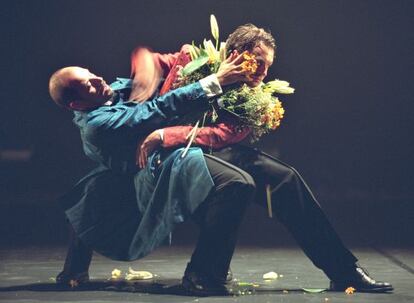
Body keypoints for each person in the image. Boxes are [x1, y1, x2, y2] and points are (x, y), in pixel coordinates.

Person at [137, 24, 393, 293]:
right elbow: (148, 57)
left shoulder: (256, 99)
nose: (264, 72)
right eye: (258, 62)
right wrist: (145, 73)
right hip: (165, 158)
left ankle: (344, 272)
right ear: (234, 53)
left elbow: (221, 136)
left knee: (284, 179)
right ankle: (205, 272)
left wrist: (166, 134)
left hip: (202, 147)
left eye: (268, 66)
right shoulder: (193, 59)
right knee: (237, 182)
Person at [49, 53, 256, 296]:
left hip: (142, 166)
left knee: (93, 190)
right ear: (76, 104)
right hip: (142, 176)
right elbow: (156, 108)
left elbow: (156, 66)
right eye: (88, 84)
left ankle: (208, 267)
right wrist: (214, 80)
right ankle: (203, 273)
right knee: (90, 194)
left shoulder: (113, 89)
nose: (97, 79)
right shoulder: (96, 125)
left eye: (90, 72)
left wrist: (160, 67)